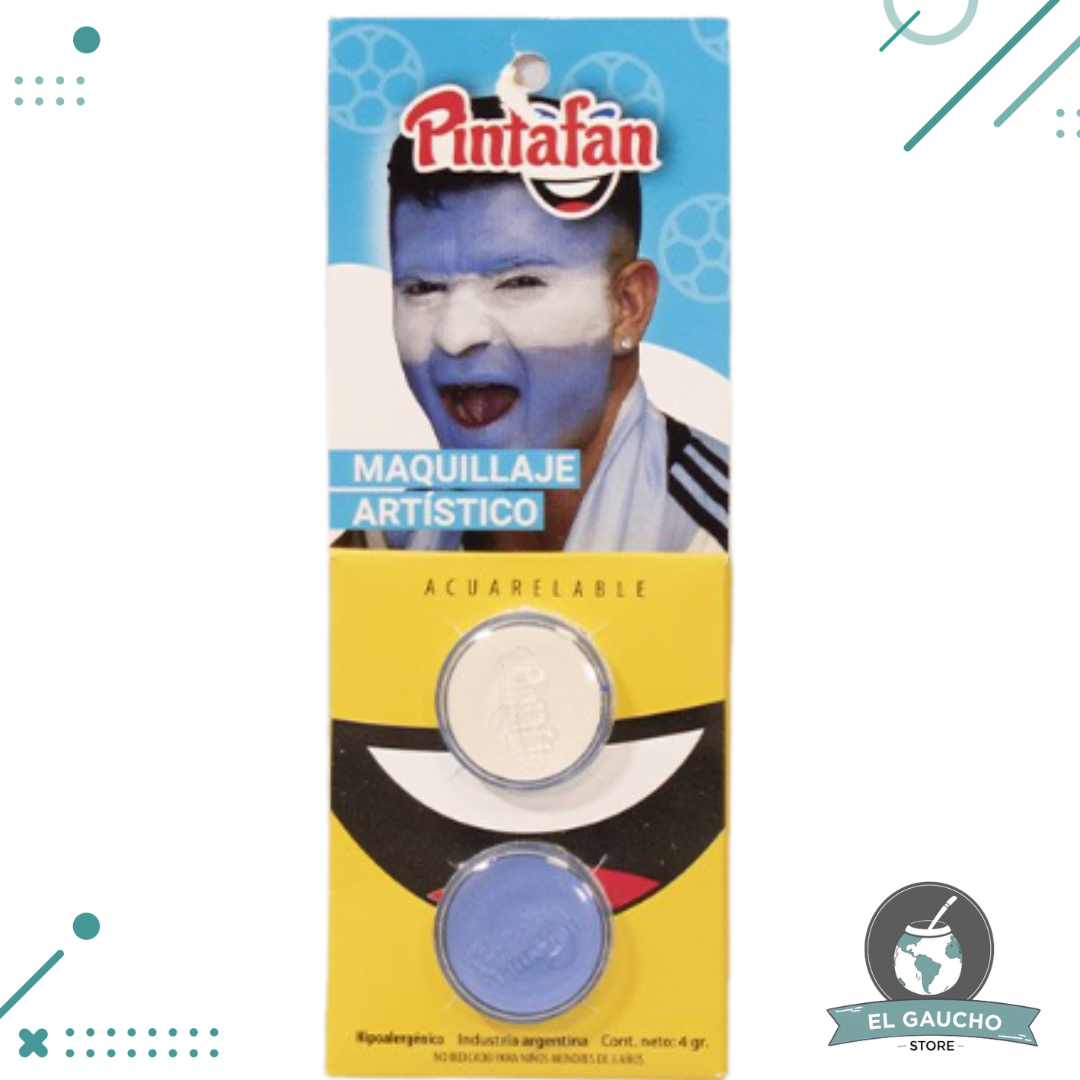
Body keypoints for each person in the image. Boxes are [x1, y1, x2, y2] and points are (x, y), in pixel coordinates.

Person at [339, 96, 728, 553]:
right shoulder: (388, 540)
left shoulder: (718, 542)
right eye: (422, 288)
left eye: (518, 282)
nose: (456, 336)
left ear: (627, 307)